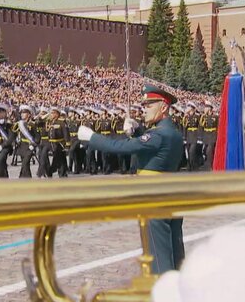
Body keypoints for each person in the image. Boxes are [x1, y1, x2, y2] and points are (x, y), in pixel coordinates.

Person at [78, 84, 185, 274]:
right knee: (175, 252)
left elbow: (121, 148)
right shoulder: (172, 133)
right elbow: (154, 150)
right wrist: (138, 131)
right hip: (172, 193)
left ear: (164, 107)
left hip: (154, 197)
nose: (144, 108)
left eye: (149, 105)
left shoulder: (158, 135)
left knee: (158, 256)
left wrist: (91, 137)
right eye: (143, 105)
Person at [15, 104, 40, 178]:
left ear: (29, 114)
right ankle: (27, 178)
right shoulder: (20, 124)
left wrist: (33, 145)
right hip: (22, 146)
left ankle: (22, 178)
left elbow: (38, 137)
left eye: (24, 113)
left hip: (29, 146)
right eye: (21, 113)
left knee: (25, 163)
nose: (22, 114)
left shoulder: (32, 124)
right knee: (25, 164)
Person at [200, 101, 218, 171]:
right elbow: (201, 125)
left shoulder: (215, 116)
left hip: (212, 135)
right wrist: (203, 115)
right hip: (206, 135)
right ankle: (209, 163)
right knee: (205, 151)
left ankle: (209, 166)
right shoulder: (204, 117)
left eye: (206, 107)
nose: (205, 108)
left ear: (210, 108)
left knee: (209, 151)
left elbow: (218, 126)